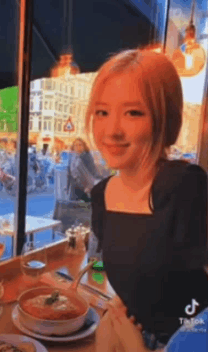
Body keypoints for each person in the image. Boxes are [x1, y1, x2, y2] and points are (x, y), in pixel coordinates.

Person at [84, 48, 208, 351]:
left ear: (164, 120)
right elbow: (142, 277)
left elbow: (197, 311)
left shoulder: (183, 187)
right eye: (102, 112)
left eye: (133, 112)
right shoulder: (103, 195)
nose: (112, 131)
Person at [67, 138, 102, 202]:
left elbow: (92, 172)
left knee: (86, 208)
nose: (78, 147)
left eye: (80, 145)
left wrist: (89, 186)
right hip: (75, 186)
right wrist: (67, 186)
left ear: (84, 146)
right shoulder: (73, 157)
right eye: (76, 145)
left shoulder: (87, 157)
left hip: (86, 187)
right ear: (73, 147)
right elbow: (69, 173)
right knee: (73, 207)